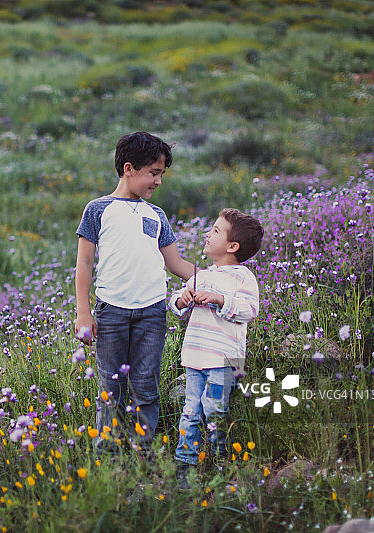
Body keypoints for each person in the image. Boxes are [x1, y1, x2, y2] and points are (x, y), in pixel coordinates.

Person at [74, 131, 196, 453]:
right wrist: (84, 313)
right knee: (110, 388)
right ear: (128, 169)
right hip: (111, 311)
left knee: (145, 386)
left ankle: (143, 452)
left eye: (161, 175)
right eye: (153, 173)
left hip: (152, 313)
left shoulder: (156, 215)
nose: (158, 182)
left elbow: (176, 264)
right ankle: (109, 457)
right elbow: (84, 265)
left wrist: (217, 277)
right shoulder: (98, 210)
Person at [170, 208, 263, 489]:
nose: (207, 234)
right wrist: (182, 299)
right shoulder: (202, 275)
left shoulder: (242, 277)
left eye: (216, 231)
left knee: (214, 409)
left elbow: (250, 310)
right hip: (195, 356)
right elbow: (175, 304)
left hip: (223, 359)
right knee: (190, 412)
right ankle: (185, 465)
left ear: (232, 246)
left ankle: (221, 460)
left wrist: (221, 300)